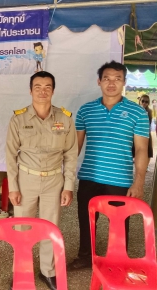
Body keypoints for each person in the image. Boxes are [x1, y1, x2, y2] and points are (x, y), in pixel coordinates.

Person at [68, 61, 149, 271]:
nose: (111, 83)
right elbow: (74, 147)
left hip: (120, 179)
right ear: (99, 81)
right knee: (86, 220)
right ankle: (85, 256)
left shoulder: (137, 113)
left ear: (124, 82)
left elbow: (141, 150)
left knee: (119, 223)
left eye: (117, 79)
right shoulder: (86, 110)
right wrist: (65, 177)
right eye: (107, 78)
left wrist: (139, 181)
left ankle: (118, 260)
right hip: (88, 177)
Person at [6, 71, 77, 290]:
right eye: (38, 87)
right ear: (30, 90)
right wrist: (13, 187)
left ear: (53, 91)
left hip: (54, 181)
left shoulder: (64, 118)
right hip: (26, 179)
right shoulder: (18, 119)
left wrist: (68, 186)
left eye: (47, 87)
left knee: (50, 227)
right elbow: (10, 155)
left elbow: (71, 155)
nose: (42, 91)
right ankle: (22, 271)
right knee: (22, 228)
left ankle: (49, 271)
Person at [133, 94, 153, 170]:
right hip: (135, 133)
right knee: (134, 150)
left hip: (145, 133)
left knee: (148, 151)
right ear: (140, 101)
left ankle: (146, 166)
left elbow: (149, 123)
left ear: (148, 103)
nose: (144, 103)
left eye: (146, 102)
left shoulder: (149, 111)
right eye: (143, 101)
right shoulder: (135, 110)